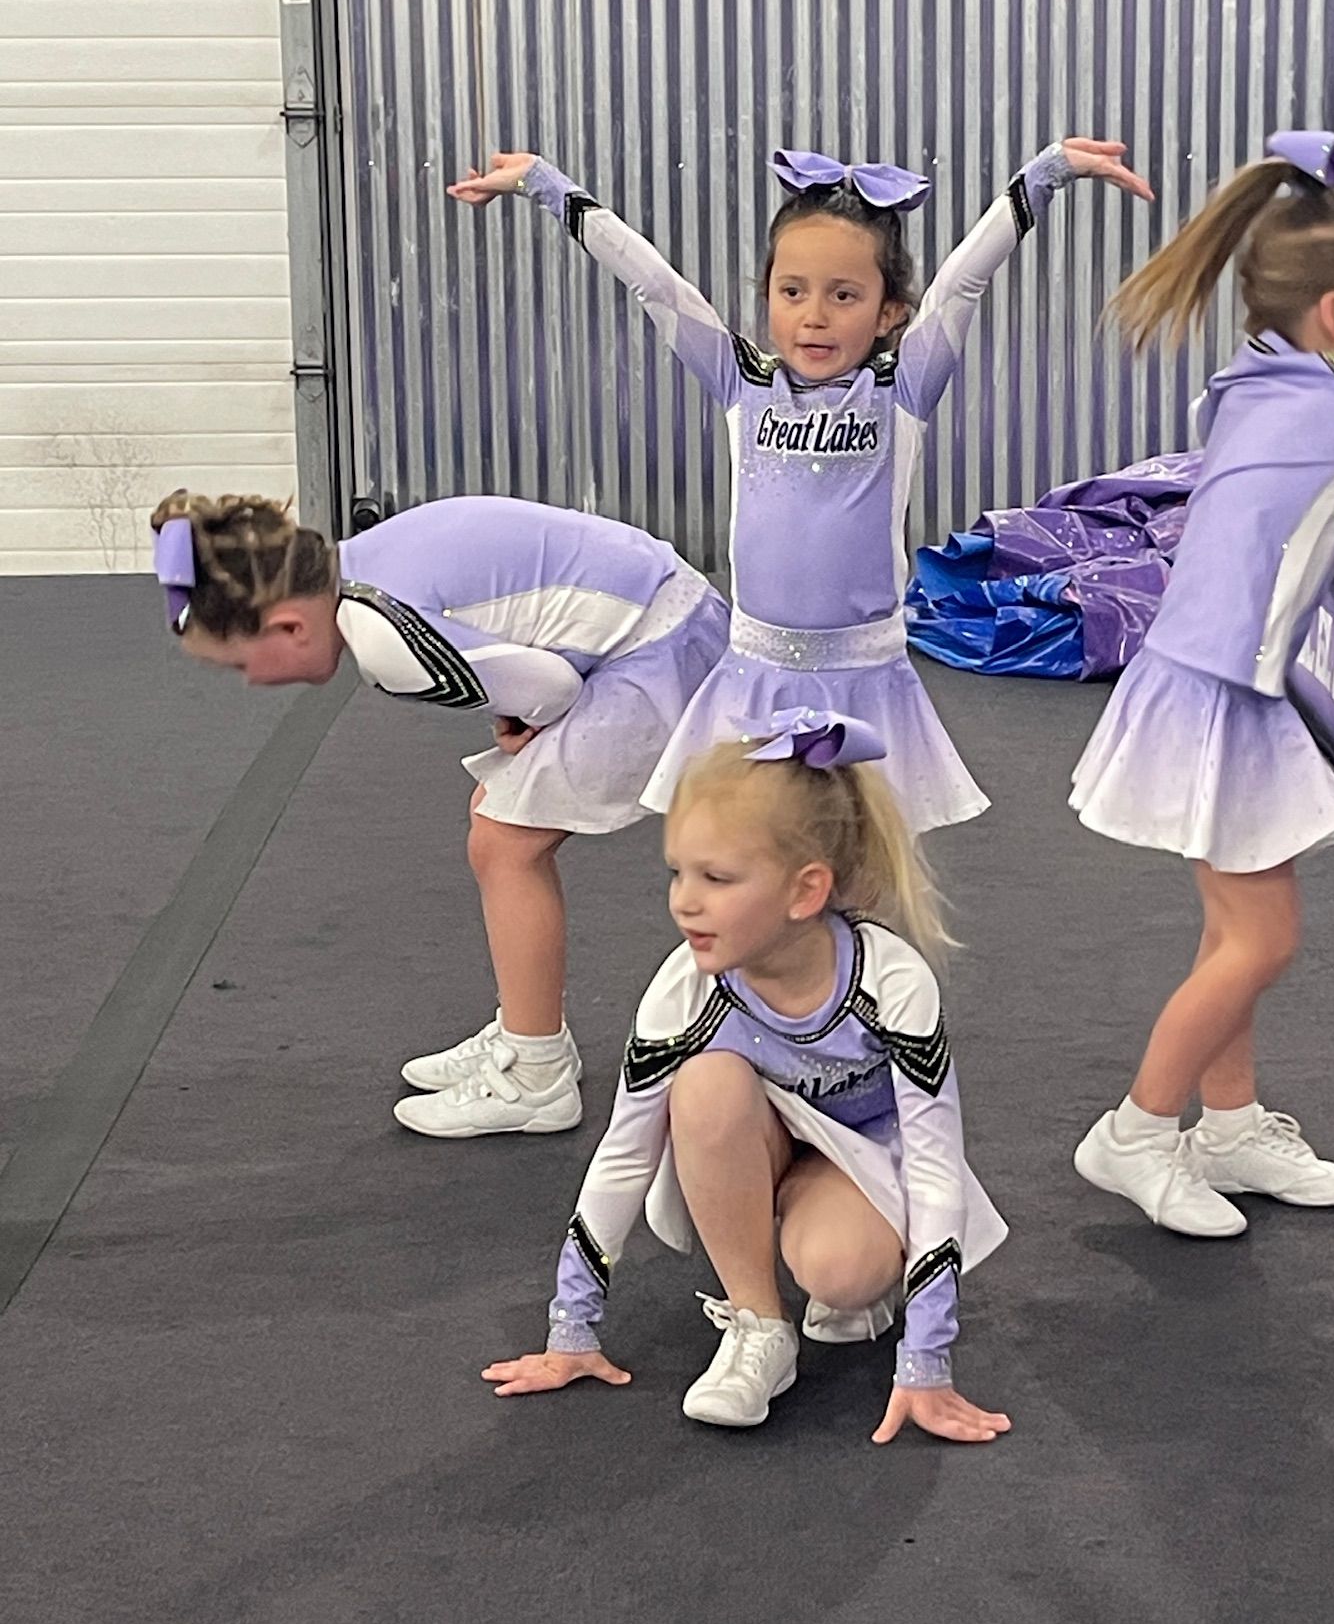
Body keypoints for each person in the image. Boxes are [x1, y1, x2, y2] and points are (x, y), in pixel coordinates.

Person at [449, 136, 1152, 831]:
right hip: (752, 676)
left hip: (866, 682)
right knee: (755, 862)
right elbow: (654, 284)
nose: (814, 314)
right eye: (793, 291)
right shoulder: (742, 383)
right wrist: (545, 183)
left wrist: (1049, 171)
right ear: (768, 297)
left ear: (889, 313)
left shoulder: (898, 390)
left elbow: (965, 279)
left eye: (844, 295)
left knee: (859, 870)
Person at [1069, 131, 1334, 1237]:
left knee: (1232, 925)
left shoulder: (1257, 374)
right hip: (1217, 690)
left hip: (1202, 679)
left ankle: (1233, 1121)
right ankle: (1139, 1130)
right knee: (1264, 937)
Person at [481, 709, 1009, 1442]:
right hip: (745, 1135)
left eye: (717, 878)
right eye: (679, 873)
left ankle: (837, 1238)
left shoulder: (891, 985)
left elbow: (934, 1165)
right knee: (701, 1085)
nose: (684, 901)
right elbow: (624, 1153)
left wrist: (927, 1360)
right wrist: (572, 1326)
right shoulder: (685, 990)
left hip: (863, 1156)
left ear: (805, 891)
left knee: (843, 1274)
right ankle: (759, 1325)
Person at [148, 489, 729, 1137]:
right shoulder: (363, 561)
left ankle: (537, 1077)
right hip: (672, 611)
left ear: (289, 627)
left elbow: (552, 688)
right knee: (496, 820)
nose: (252, 683)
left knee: (506, 843)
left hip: (662, 650)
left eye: (240, 665)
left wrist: (524, 716)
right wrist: (517, 714)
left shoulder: (381, 637)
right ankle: (528, 1029)